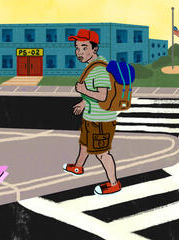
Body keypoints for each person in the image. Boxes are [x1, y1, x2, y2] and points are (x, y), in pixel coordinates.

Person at [62, 29, 121, 195]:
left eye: (84, 47)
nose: (79, 52)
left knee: (102, 154)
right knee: (84, 145)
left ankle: (113, 183)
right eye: (77, 47)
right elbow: (92, 91)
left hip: (101, 121)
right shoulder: (92, 66)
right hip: (91, 116)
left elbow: (102, 96)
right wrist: (83, 102)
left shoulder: (100, 70)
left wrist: (83, 90)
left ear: (94, 49)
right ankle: (78, 167)